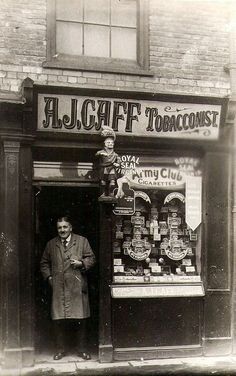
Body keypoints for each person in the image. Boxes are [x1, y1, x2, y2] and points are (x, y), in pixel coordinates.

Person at [40, 215, 95, 361]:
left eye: (65, 227)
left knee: (80, 319)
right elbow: (44, 263)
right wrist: (49, 278)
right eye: (59, 227)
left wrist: (81, 263)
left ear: (70, 227)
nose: (62, 230)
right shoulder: (51, 244)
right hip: (58, 287)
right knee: (59, 319)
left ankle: (82, 350)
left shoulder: (82, 241)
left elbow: (91, 258)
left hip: (77, 285)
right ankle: (60, 350)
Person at [95, 126, 121, 197]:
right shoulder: (101, 152)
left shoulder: (115, 154)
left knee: (112, 182)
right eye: (108, 142)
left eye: (112, 142)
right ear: (105, 143)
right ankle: (103, 193)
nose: (110, 144)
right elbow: (96, 154)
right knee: (103, 182)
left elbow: (119, 160)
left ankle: (111, 193)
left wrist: (117, 164)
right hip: (104, 168)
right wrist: (101, 153)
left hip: (112, 168)